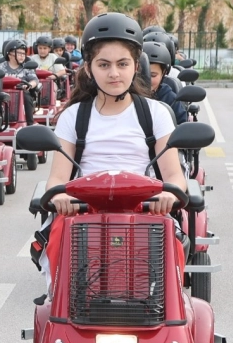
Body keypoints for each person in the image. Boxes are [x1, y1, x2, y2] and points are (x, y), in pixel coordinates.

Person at [44, 13, 187, 217]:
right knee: (51, 246)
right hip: (84, 219)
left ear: (136, 66)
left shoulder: (157, 113)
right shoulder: (72, 116)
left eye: (122, 64)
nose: (114, 73)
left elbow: (174, 175)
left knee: (177, 245)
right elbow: (57, 178)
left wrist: (168, 194)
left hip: (145, 217)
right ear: (89, 68)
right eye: (103, 65)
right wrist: (60, 197)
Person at [144, 40, 189, 125]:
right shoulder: (124, 97)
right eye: (141, 74)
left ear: (164, 73)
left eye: (153, 75)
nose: (147, 80)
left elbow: (182, 129)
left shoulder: (171, 101)